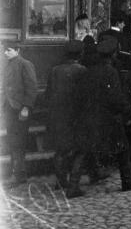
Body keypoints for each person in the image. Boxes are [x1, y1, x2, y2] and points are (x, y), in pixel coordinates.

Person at [68, 38, 131, 197]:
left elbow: (79, 96)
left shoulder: (88, 71)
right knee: (123, 147)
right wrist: (128, 109)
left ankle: (73, 185)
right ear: (113, 54)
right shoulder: (111, 72)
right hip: (107, 119)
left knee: (83, 150)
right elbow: (114, 98)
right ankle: (127, 180)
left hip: (88, 117)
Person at [43, 40, 87, 190]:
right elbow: (84, 97)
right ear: (80, 54)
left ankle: (61, 181)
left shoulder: (55, 70)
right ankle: (74, 185)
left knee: (60, 150)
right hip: (75, 118)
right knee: (80, 149)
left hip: (57, 117)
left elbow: (48, 95)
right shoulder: (82, 70)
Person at [1, 40, 38, 186]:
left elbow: (31, 88)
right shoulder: (7, 65)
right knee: (12, 141)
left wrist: (26, 108)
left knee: (19, 142)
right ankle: (15, 173)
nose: (6, 53)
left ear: (18, 50)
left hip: (20, 109)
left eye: (9, 50)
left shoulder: (25, 64)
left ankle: (19, 175)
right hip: (9, 109)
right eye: (4, 50)